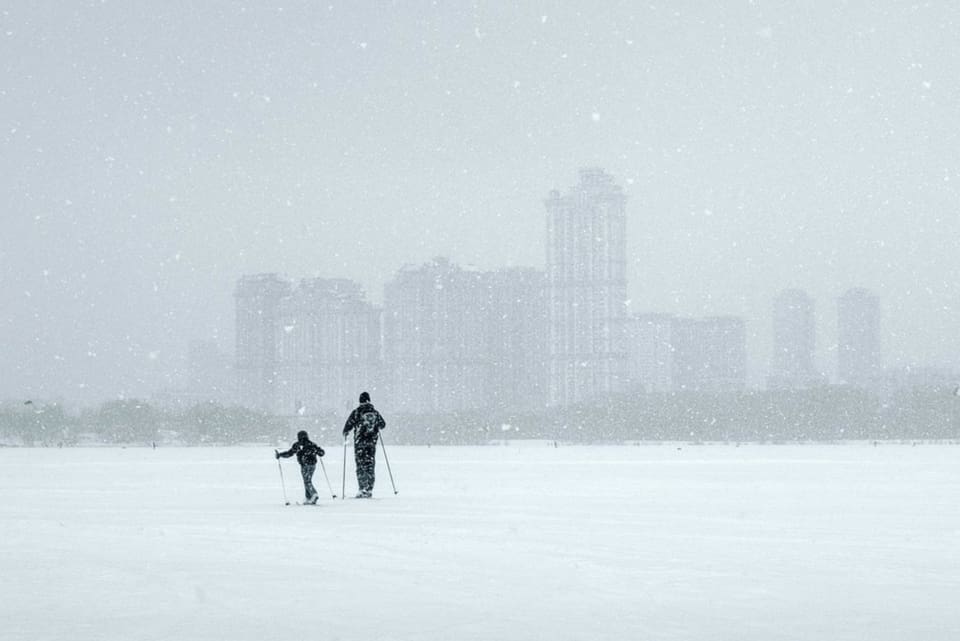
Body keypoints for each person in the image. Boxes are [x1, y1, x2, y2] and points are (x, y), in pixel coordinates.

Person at [342, 391, 386, 498]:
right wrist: (375, 427)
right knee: (370, 465)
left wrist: (346, 432)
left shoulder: (357, 412)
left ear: (360, 401)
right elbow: (383, 425)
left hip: (360, 443)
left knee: (360, 466)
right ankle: (369, 489)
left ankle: (362, 488)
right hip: (372, 444)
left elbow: (348, 425)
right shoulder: (375, 412)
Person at [276, 430, 325, 504]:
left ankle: (314, 494)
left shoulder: (297, 445)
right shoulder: (312, 444)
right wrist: (316, 451)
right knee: (307, 480)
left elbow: (289, 453)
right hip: (312, 465)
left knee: (307, 481)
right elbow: (322, 453)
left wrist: (280, 455)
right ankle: (308, 498)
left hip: (304, 465)